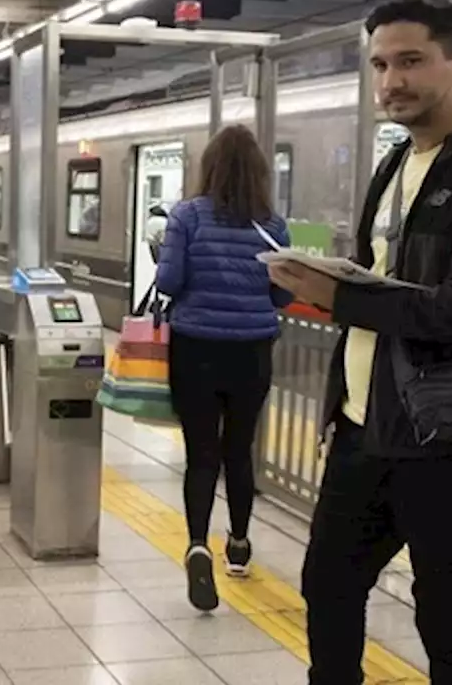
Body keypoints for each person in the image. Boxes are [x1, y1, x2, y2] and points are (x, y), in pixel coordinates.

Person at [267, 0, 452, 684]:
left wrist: (342, 296)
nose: (391, 81)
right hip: (366, 429)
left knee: (449, 624)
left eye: (412, 62)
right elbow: (384, 284)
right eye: (380, 64)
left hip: (450, 443)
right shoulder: (395, 167)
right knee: (328, 589)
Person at [154, 124, 292, 612]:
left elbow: (169, 282)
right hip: (252, 351)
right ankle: (237, 545)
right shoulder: (273, 226)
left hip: (195, 348)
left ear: (208, 168)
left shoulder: (186, 216)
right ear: (258, 172)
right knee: (239, 449)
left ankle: (196, 545)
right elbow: (283, 294)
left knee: (201, 454)